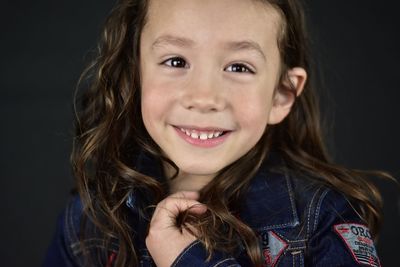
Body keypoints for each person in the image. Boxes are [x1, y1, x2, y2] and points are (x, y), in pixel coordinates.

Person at [43, 0, 387, 266]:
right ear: (135, 76)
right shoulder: (90, 220)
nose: (203, 97)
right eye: (176, 61)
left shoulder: (323, 217)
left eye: (239, 67)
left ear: (282, 94)